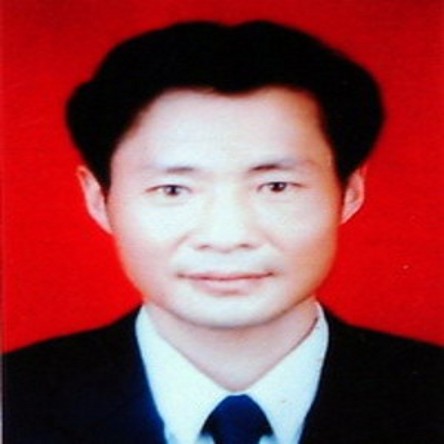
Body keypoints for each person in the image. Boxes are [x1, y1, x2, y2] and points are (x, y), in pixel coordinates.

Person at [4, 21, 442, 444]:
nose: (228, 236)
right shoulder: (15, 401)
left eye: (276, 186)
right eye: (173, 190)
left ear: (349, 192)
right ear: (99, 200)